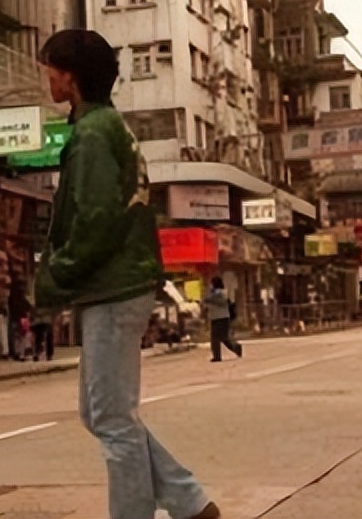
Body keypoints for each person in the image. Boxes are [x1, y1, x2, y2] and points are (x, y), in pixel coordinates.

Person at [33, 29, 219, 519]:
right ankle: (188, 500)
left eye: (50, 68)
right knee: (100, 414)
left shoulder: (93, 134)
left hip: (114, 285)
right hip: (118, 283)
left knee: (112, 419)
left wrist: (59, 269)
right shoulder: (102, 126)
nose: (46, 76)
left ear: (69, 77)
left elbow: (95, 218)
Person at [203, 277, 242, 362]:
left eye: (211, 283)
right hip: (215, 318)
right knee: (223, 338)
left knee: (216, 338)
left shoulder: (221, 293)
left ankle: (217, 356)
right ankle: (236, 348)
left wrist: (208, 299)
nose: (210, 285)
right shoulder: (214, 293)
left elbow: (217, 300)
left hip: (222, 318)